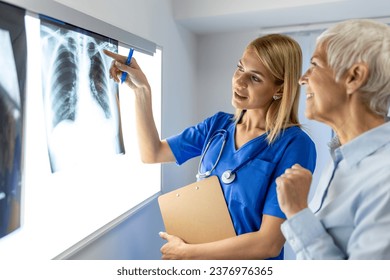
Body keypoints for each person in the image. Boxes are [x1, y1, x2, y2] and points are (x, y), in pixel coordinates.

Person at [104, 34, 316, 260]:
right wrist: (142, 91)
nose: (239, 81)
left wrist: (188, 253)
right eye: (239, 68)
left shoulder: (295, 144)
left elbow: (269, 244)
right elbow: (152, 153)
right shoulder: (217, 126)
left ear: (280, 90)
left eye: (254, 78)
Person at [276, 19, 390, 259]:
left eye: (315, 64)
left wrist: (297, 213)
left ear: (354, 77)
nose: (302, 78)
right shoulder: (341, 159)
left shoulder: (385, 177)